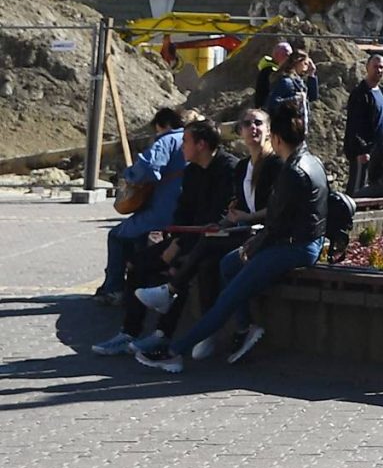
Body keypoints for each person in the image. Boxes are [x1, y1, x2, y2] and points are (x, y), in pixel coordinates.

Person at [135, 101, 329, 373]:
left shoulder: (292, 172)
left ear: (275, 137)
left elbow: (276, 225)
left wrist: (249, 248)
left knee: (228, 295)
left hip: (294, 246)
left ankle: (173, 352)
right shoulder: (309, 161)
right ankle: (245, 326)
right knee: (227, 264)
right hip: (297, 239)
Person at [93, 121, 239, 356]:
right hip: (188, 238)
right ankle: (128, 332)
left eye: (186, 142)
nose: (182, 147)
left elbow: (218, 218)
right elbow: (183, 210)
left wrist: (179, 245)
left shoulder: (228, 168)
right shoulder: (191, 171)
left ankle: (164, 335)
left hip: (215, 241)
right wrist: (175, 241)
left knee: (182, 268)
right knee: (138, 264)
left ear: (201, 144)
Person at [97, 107, 190, 303]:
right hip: (184, 211)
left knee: (116, 236)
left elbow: (147, 167)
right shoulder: (192, 139)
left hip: (162, 210)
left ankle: (114, 288)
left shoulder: (167, 140)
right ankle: (138, 287)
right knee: (140, 241)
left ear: (162, 125)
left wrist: (130, 176)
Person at [342, 57, 383, 195]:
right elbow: (354, 124)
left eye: (382, 67)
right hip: (365, 154)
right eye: (375, 67)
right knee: (358, 190)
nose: (379, 70)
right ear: (367, 68)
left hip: (381, 153)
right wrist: (360, 150)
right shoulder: (360, 94)